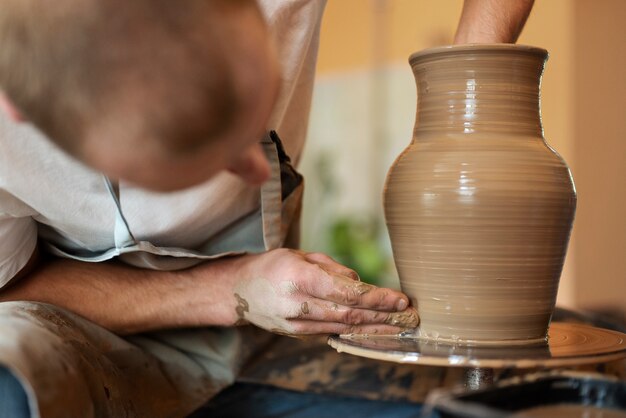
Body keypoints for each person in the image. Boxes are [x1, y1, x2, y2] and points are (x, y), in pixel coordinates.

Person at [0, 0, 534, 416]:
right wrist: (228, 289)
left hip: (259, 319)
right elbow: (14, 283)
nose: (255, 169)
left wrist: (469, 93)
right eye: (217, 161)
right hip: (62, 314)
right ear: (18, 109)